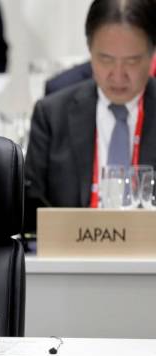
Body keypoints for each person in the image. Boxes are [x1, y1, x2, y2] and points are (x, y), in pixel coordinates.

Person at [25, 0, 156, 232]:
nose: (118, 75)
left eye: (132, 61)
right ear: (89, 49)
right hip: (71, 261)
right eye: (105, 59)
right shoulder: (52, 115)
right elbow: (30, 211)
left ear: (151, 54)